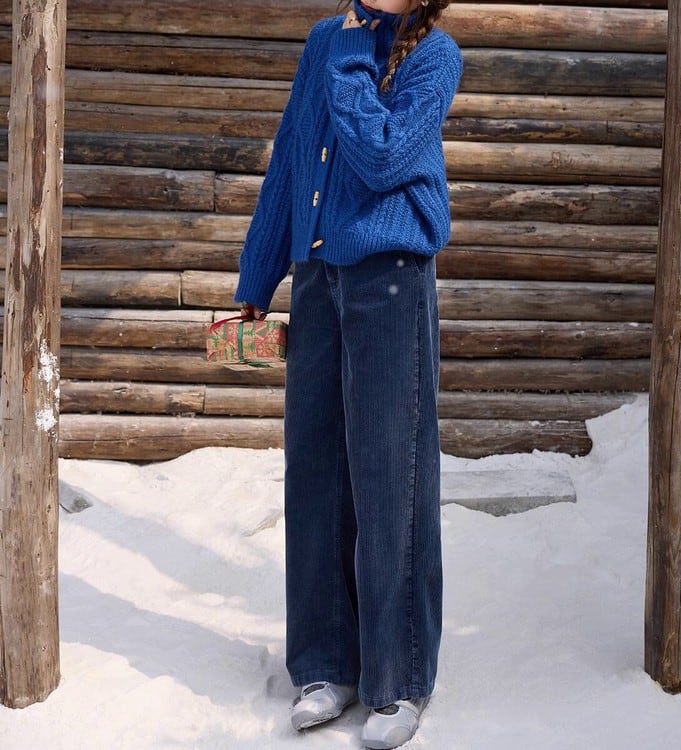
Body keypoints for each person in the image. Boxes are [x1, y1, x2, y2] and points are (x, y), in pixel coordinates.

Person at [234, 0, 462, 747]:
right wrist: (257, 276)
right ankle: (326, 665)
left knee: (391, 473)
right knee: (317, 471)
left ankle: (398, 679)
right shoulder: (324, 41)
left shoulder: (434, 56)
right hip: (316, 279)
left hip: (391, 278)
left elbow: (384, 157)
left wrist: (357, 61)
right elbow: (293, 156)